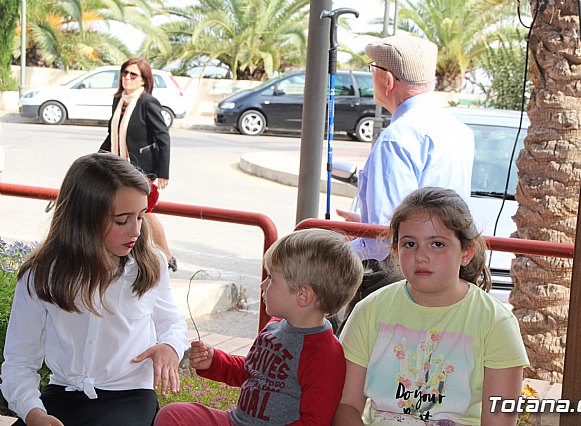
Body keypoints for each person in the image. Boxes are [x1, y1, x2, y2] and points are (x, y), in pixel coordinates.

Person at [0, 152, 189, 426]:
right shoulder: (40, 275)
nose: (135, 231)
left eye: (140, 217)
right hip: (62, 395)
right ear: (83, 219)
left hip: (130, 397)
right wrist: (33, 413)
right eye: (122, 220)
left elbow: (171, 321)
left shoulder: (150, 264)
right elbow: (19, 361)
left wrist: (171, 346)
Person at [333, 187, 528, 426]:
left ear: (466, 252)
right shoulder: (369, 311)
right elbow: (346, 406)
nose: (421, 256)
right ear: (395, 251)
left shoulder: (496, 323)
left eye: (437, 244)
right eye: (410, 244)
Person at [335, 35, 475, 333]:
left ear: (387, 79)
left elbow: (384, 237)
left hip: (399, 273)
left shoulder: (397, 137)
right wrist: (364, 224)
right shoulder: (457, 129)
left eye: (373, 69)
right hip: (444, 266)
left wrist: (347, 246)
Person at [154, 228, 365, 426]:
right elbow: (251, 372)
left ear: (303, 295)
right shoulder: (274, 328)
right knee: (172, 415)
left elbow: (315, 420)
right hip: (236, 420)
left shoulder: (325, 353)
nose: (263, 286)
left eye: (271, 279)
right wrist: (214, 361)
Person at [99, 57, 177, 272]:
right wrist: (96, 159)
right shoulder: (119, 100)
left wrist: (163, 173)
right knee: (121, 212)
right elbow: (112, 135)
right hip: (117, 169)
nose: (127, 78)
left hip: (140, 169)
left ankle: (167, 257)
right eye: (124, 73)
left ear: (144, 80)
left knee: (146, 213)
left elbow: (163, 138)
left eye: (133, 75)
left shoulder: (147, 102)